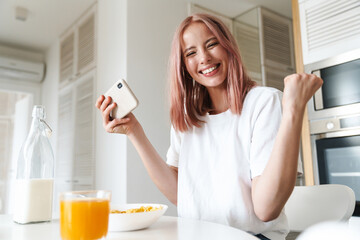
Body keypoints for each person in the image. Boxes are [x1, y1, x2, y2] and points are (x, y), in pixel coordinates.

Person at [96, 13, 323, 240]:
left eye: (212, 44)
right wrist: (134, 131)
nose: (204, 58)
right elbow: (180, 195)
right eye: (191, 53)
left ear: (228, 47)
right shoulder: (188, 115)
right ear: (184, 66)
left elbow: (266, 208)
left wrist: (293, 109)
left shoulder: (264, 101)